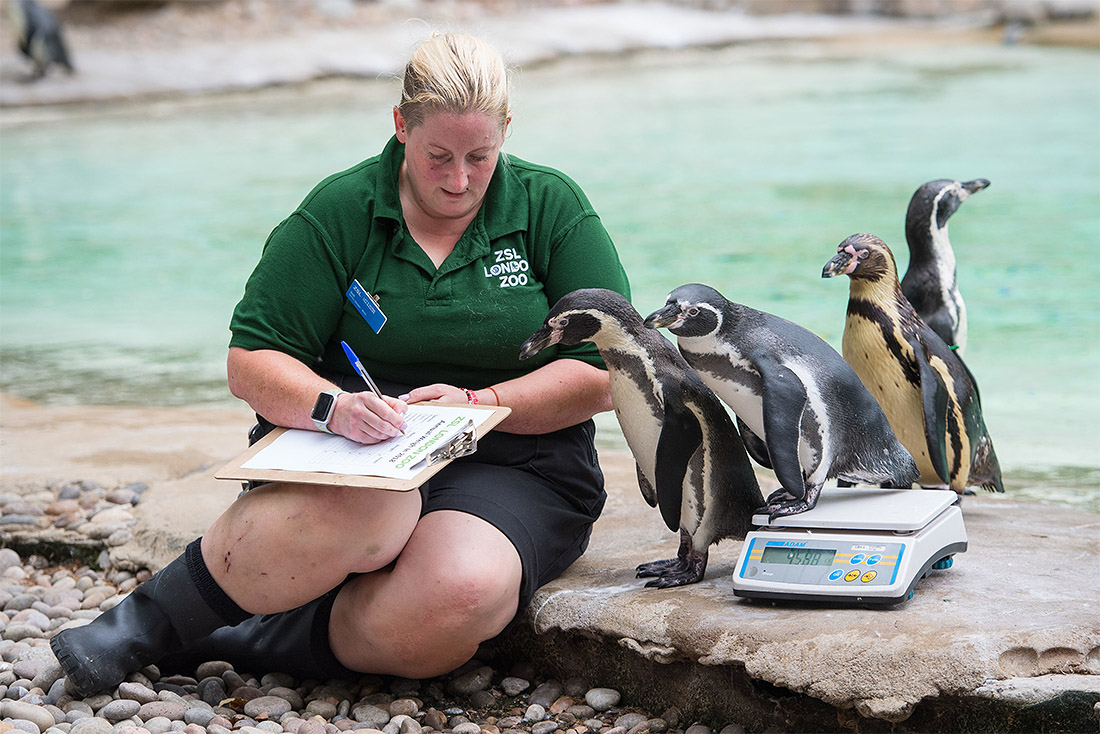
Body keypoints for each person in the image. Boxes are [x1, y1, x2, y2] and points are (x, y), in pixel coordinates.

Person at [50, 32, 631, 694]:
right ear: (401, 125)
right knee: (372, 510)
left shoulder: (551, 206)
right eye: (438, 156)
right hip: (357, 451)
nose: (460, 180)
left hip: (518, 460)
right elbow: (253, 359)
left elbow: (607, 369)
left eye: (480, 156)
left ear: (506, 131)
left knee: (460, 593)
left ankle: (258, 637)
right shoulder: (339, 210)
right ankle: (139, 625)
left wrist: (480, 405)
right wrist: (334, 409)